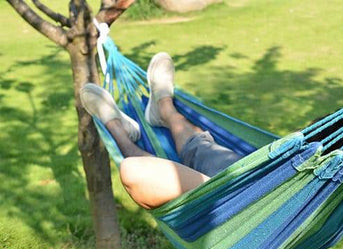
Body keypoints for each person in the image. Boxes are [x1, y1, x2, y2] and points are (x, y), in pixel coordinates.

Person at [81, 52, 243, 209]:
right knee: (203, 149)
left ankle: (119, 132)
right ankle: (165, 110)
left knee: (135, 171)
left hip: (230, 203)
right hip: (253, 180)